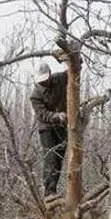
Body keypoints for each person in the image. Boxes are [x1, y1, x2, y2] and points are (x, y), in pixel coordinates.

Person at [30, 62, 68, 198]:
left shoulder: (60, 78)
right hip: (47, 128)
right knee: (51, 157)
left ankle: (53, 189)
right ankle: (49, 191)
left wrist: (74, 59)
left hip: (62, 127)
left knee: (59, 158)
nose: (44, 83)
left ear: (50, 74)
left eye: (46, 79)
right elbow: (42, 114)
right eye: (42, 81)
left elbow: (74, 71)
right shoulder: (35, 95)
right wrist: (56, 116)